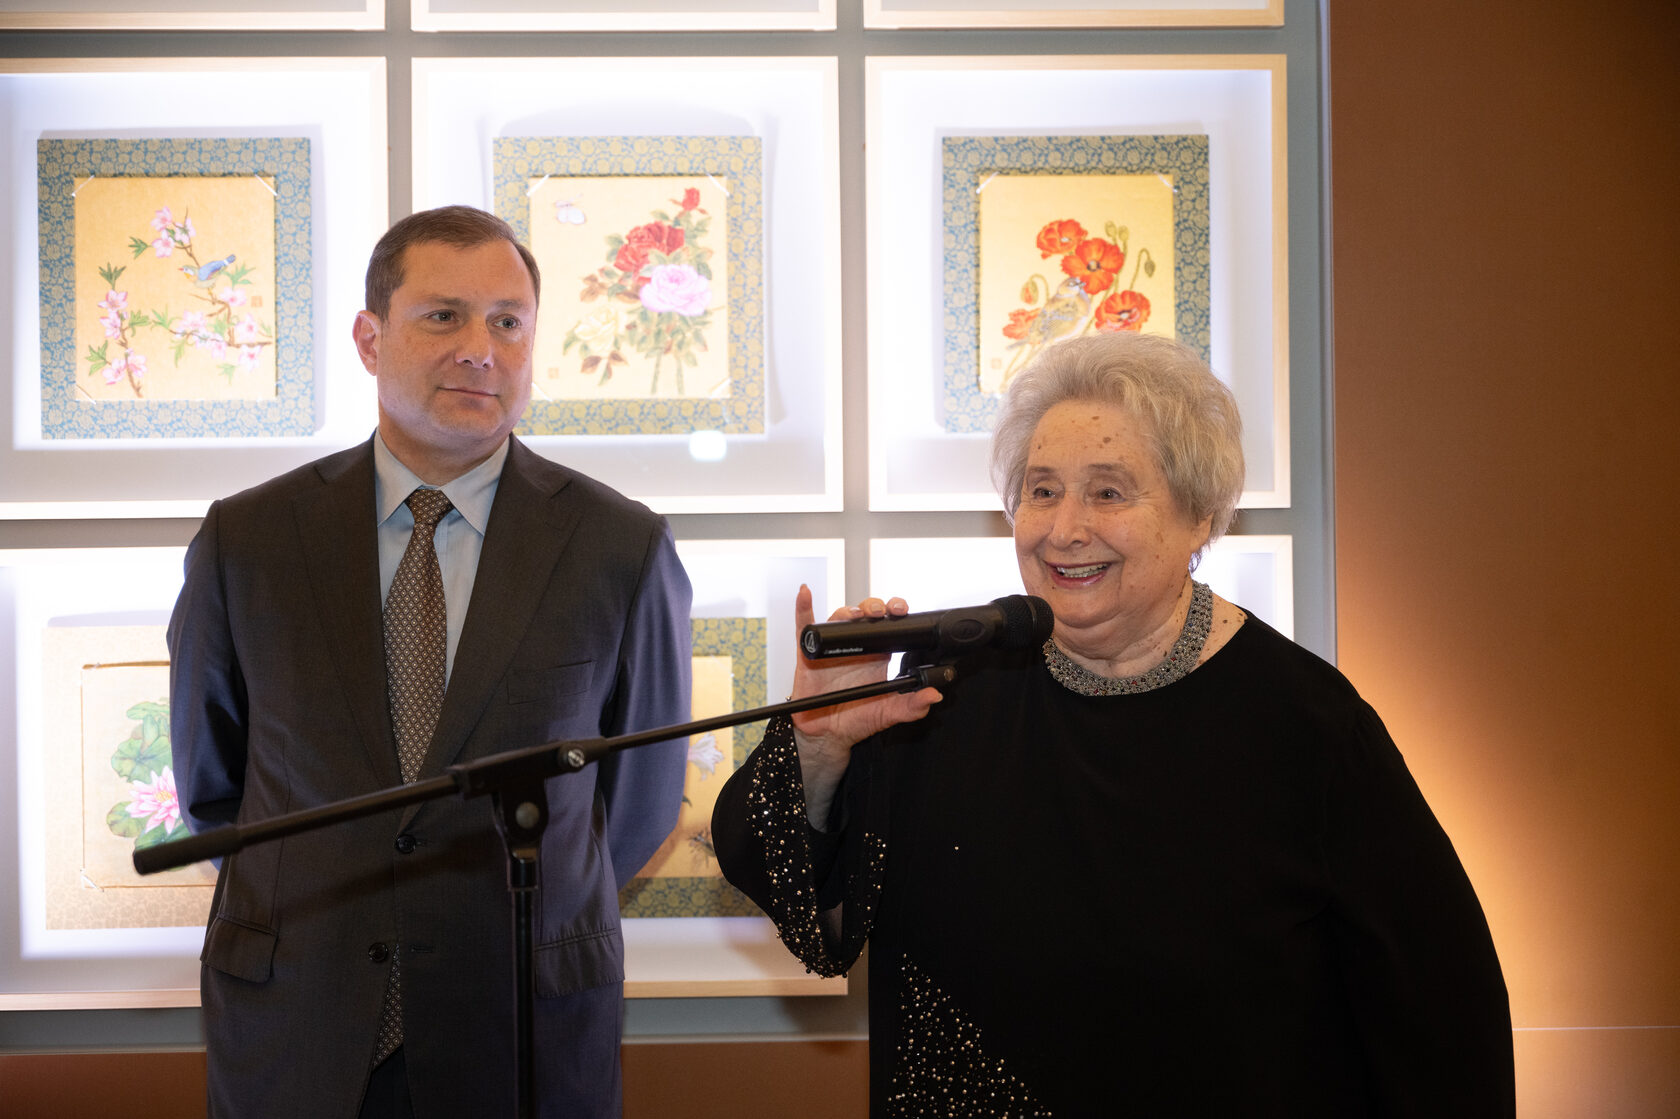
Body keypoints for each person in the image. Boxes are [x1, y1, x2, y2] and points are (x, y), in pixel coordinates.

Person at [712, 332, 1514, 1116]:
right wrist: (819, 744)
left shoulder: (1309, 728)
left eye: (1108, 491)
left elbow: (1443, 1021)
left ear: (1198, 517)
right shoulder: (942, 694)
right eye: (1042, 490)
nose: (1064, 528)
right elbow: (808, 909)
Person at [168, 205, 693, 1119]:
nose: (480, 349)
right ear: (370, 340)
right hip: (297, 1026)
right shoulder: (248, 540)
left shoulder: (620, 547)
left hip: (521, 1031)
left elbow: (638, 803)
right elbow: (214, 785)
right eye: (443, 315)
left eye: (507, 321)